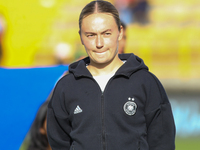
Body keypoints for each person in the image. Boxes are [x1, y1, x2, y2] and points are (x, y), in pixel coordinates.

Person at [47, 0, 176, 150]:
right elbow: (59, 142)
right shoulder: (66, 86)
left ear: (120, 33)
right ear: (81, 37)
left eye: (106, 33)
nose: (99, 43)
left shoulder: (146, 82)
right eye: (90, 35)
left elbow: (162, 142)